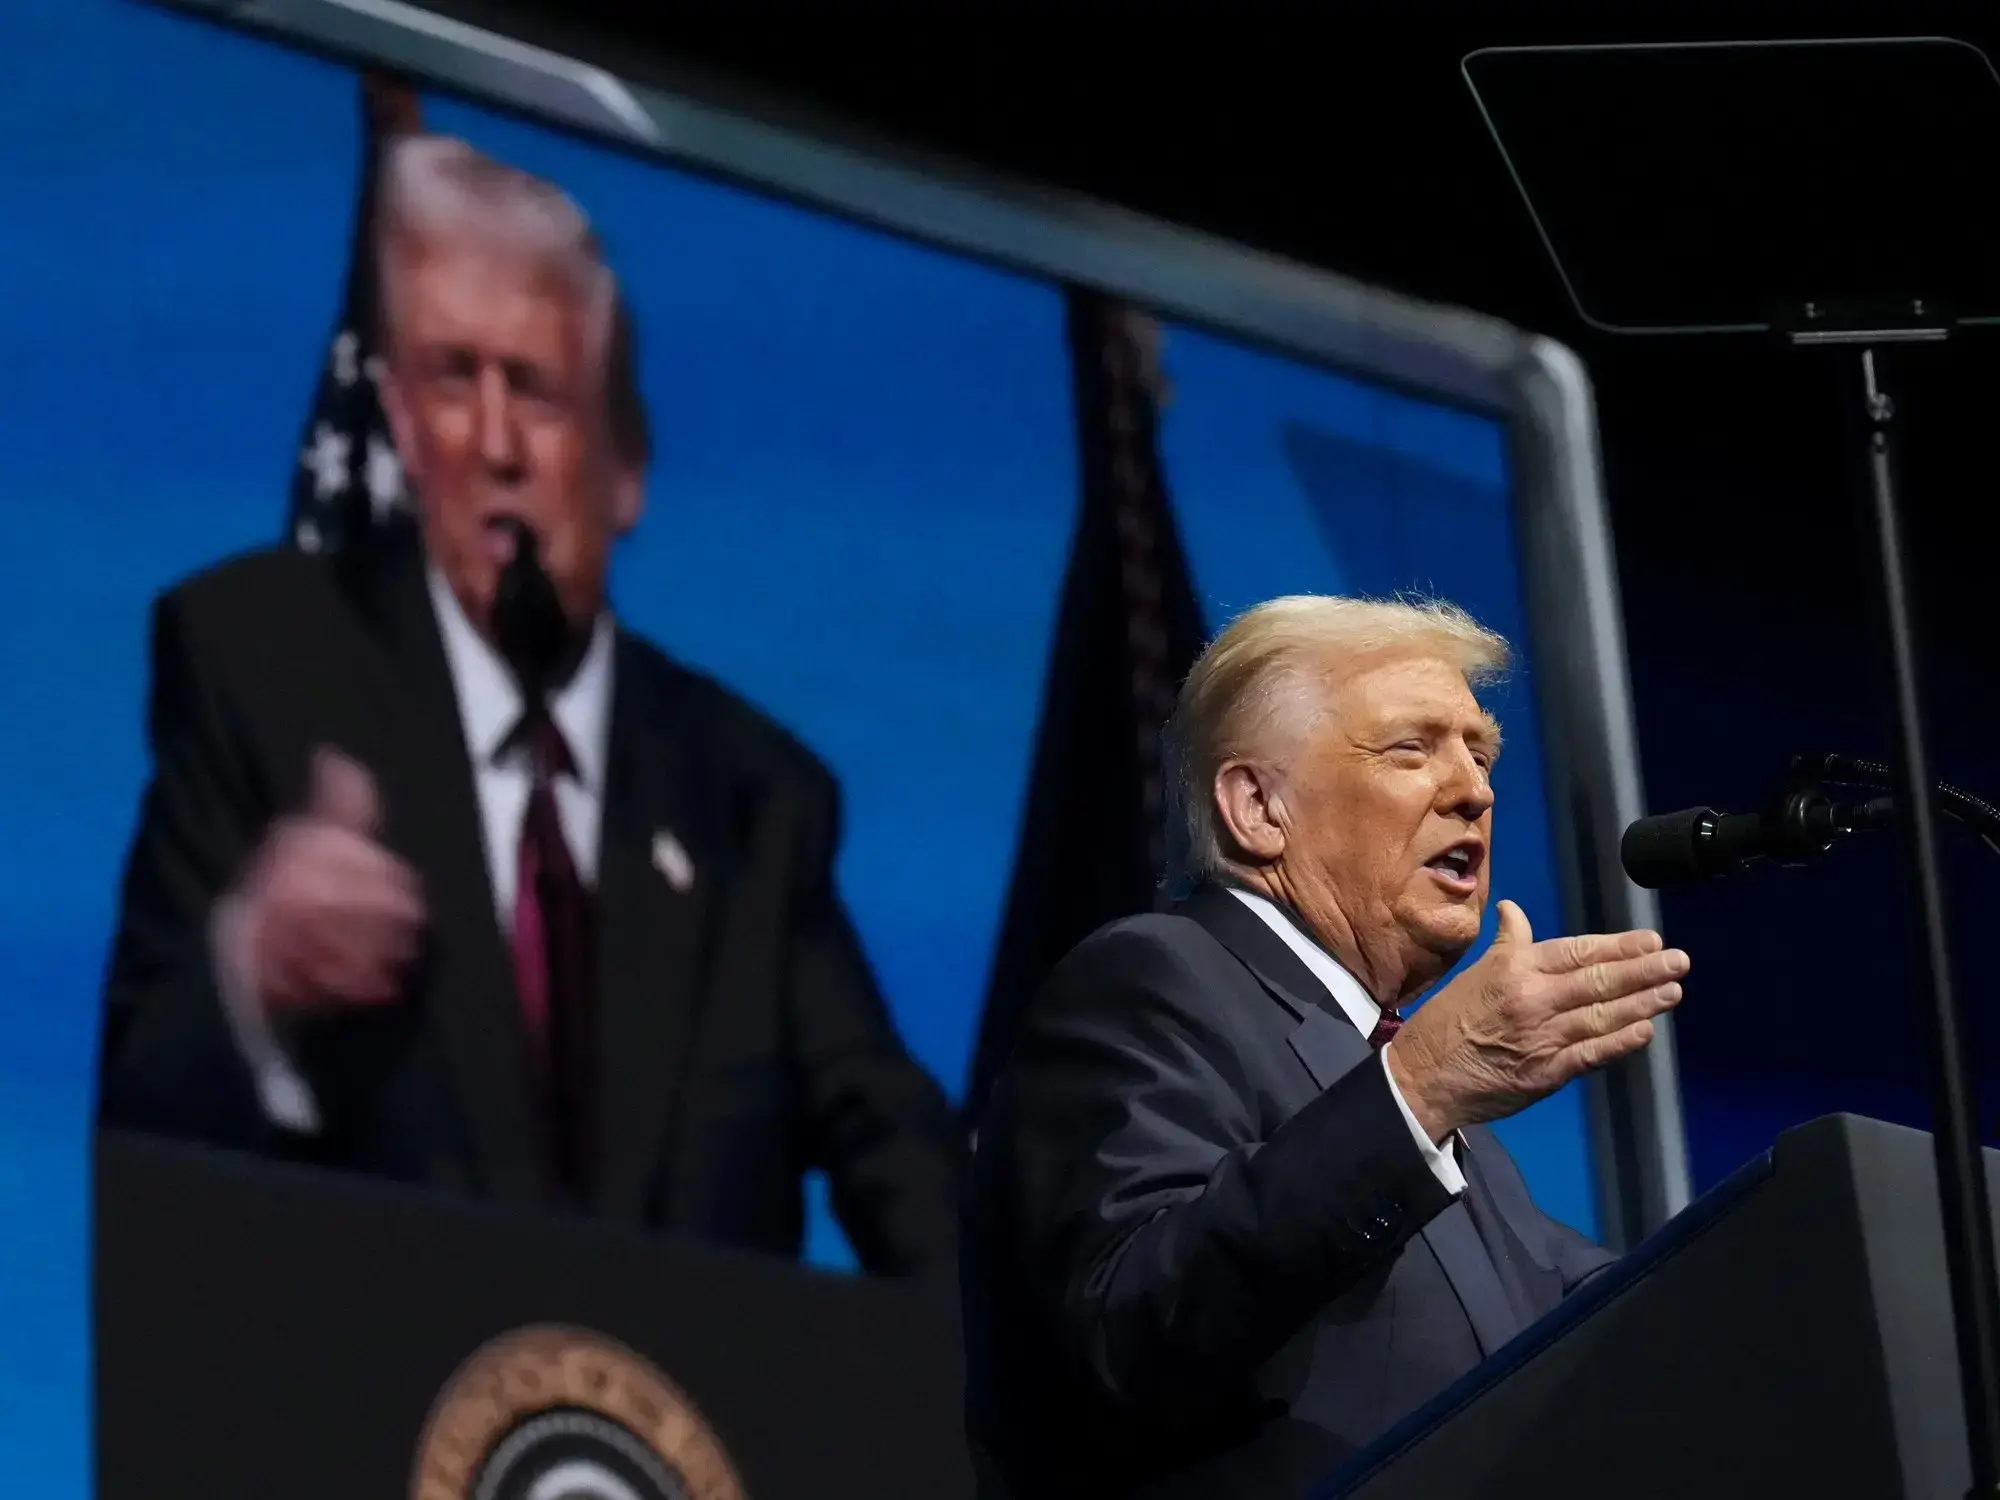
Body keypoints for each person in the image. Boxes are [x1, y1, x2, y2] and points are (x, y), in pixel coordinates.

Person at [99, 135, 959, 1277]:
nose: (495, 445)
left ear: (626, 470)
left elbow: (896, 1160)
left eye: (538, 393)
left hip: (677, 1392)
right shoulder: (259, 668)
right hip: (363, 1378)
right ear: (402, 426)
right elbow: (138, 1127)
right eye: (454, 380)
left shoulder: (752, 799)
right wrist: (253, 968)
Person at [961, 595, 1691, 1495]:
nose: (1475, 790)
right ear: (1259, 808)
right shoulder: (1152, 980)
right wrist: (1423, 1085)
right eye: (1412, 749)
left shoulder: (1444, 1127)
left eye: (1480, 753)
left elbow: (1602, 1316)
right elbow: (1128, 1325)